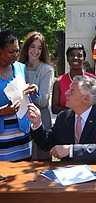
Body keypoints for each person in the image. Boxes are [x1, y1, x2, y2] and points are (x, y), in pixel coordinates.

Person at [28, 75, 96, 164]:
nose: (66, 93)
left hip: (94, 172)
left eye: (72, 91)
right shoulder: (63, 117)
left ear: (85, 99)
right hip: (65, 172)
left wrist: (71, 150)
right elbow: (46, 144)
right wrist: (37, 123)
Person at [0, 30, 38, 203]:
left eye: (17, 51)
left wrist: (33, 89)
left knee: (23, 177)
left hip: (22, 131)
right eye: (11, 52)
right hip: (2, 136)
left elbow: (25, 91)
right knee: (4, 181)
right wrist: (1, 111)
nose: (15, 55)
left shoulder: (20, 68)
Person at [18, 31, 54, 161]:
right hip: (20, 118)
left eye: (40, 48)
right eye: (33, 46)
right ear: (26, 47)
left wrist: (29, 92)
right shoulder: (17, 67)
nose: (35, 51)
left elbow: (44, 101)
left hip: (40, 118)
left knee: (41, 161)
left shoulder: (47, 70)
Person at [51, 43, 95, 114]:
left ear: (84, 58)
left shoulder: (93, 80)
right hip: (66, 122)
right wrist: (76, 112)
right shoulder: (59, 81)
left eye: (79, 55)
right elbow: (54, 108)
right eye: (71, 55)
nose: (75, 58)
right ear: (67, 59)